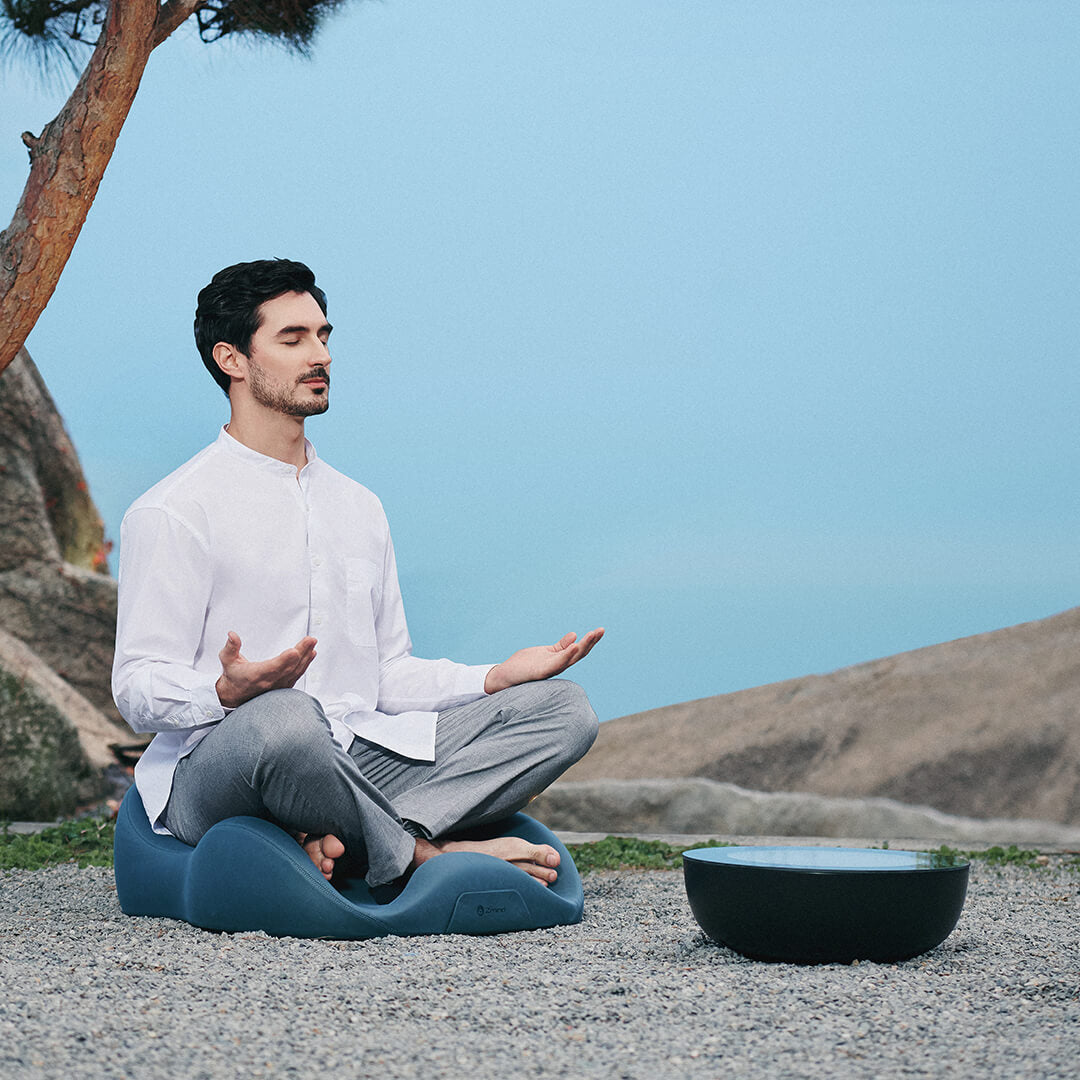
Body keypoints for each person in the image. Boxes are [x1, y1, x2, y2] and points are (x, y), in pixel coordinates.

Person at [111, 259, 603, 893]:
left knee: (565, 711)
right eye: (293, 339)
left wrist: (493, 679)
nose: (320, 354)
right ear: (231, 358)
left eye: (323, 335)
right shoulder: (173, 510)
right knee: (286, 717)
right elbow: (136, 687)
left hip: (354, 758)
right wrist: (225, 694)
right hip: (226, 765)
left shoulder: (359, 506)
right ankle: (424, 857)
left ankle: (346, 837)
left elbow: (386, 673)